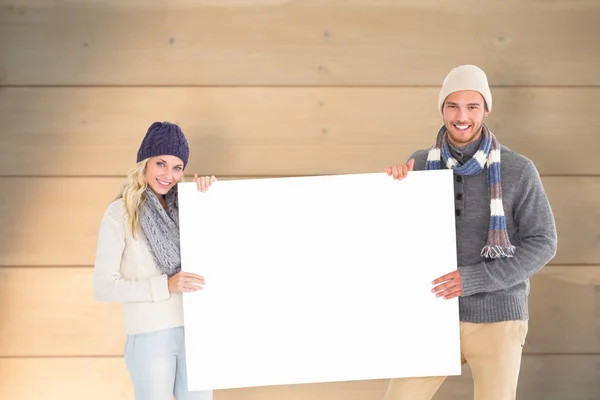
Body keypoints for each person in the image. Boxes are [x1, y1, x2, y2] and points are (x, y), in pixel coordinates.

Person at [382, 65, 558, 400]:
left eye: (472, 106)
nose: (462, 116)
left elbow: (544, 242)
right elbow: (401, 238)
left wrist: (475, 278)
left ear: (486, 110)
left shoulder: (518, 169)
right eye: (453, 106)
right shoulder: (419, 164)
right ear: (442, 109)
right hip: (431, 313)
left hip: (497, 316)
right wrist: (394, 188)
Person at [93, 121, 216, 400]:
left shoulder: (189, 206)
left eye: (177, 167)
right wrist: (165, 286)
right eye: (161, 163)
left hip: (196, 331)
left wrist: (210, 200)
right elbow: (103, 286)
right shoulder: (120, 213)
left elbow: (222, 252)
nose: (169, 175)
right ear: (145, 163)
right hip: (150, 334)